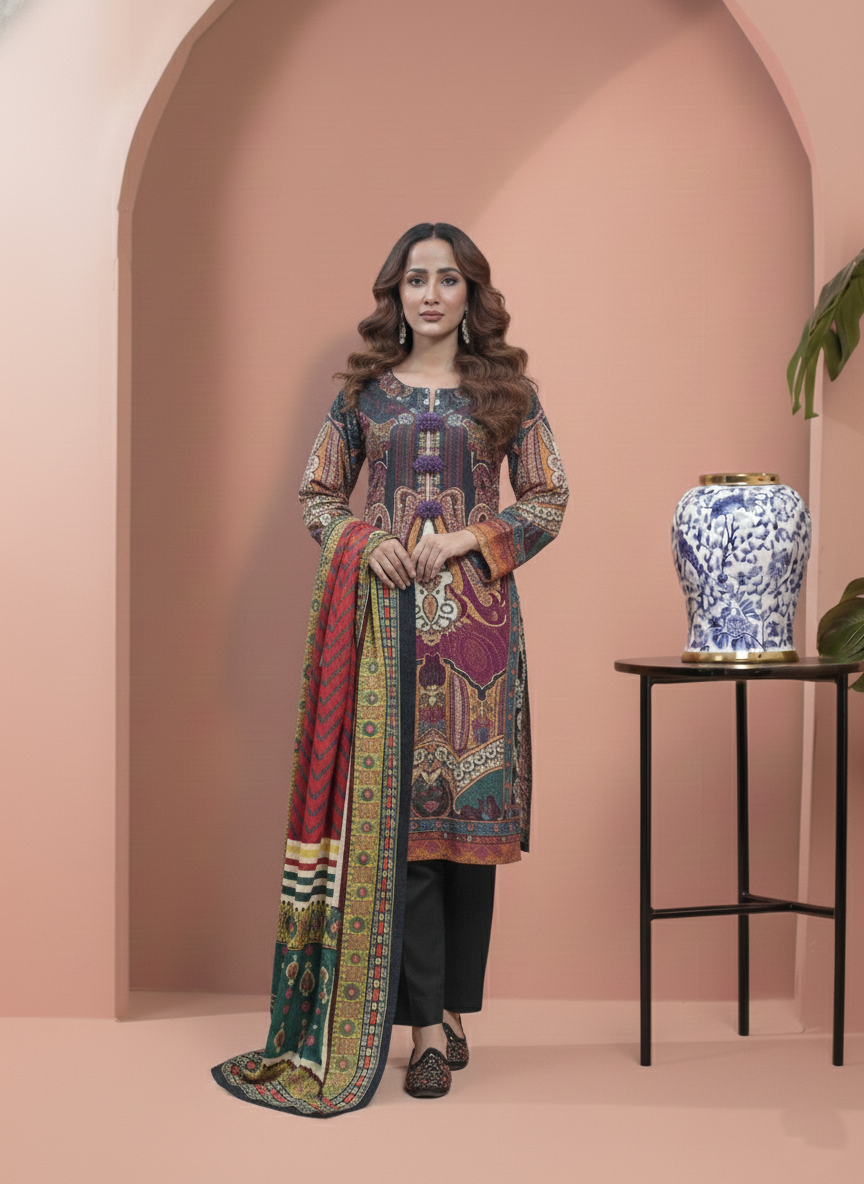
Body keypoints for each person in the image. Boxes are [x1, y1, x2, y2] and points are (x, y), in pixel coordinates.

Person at [212, 223, 568, 1115]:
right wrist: (364, 542)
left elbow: (550, 499)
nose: (431, 294)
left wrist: (470, 538)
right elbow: (316, 495)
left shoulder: (509, 394)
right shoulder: (363, 397)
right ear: (396, 294)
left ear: (470, 293)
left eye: (447, 279)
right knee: (404, 834)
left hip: (479, 644)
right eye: (416, 279)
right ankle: (423, 1038)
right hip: (386, 637)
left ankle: (452, 1012)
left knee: (470, 836)